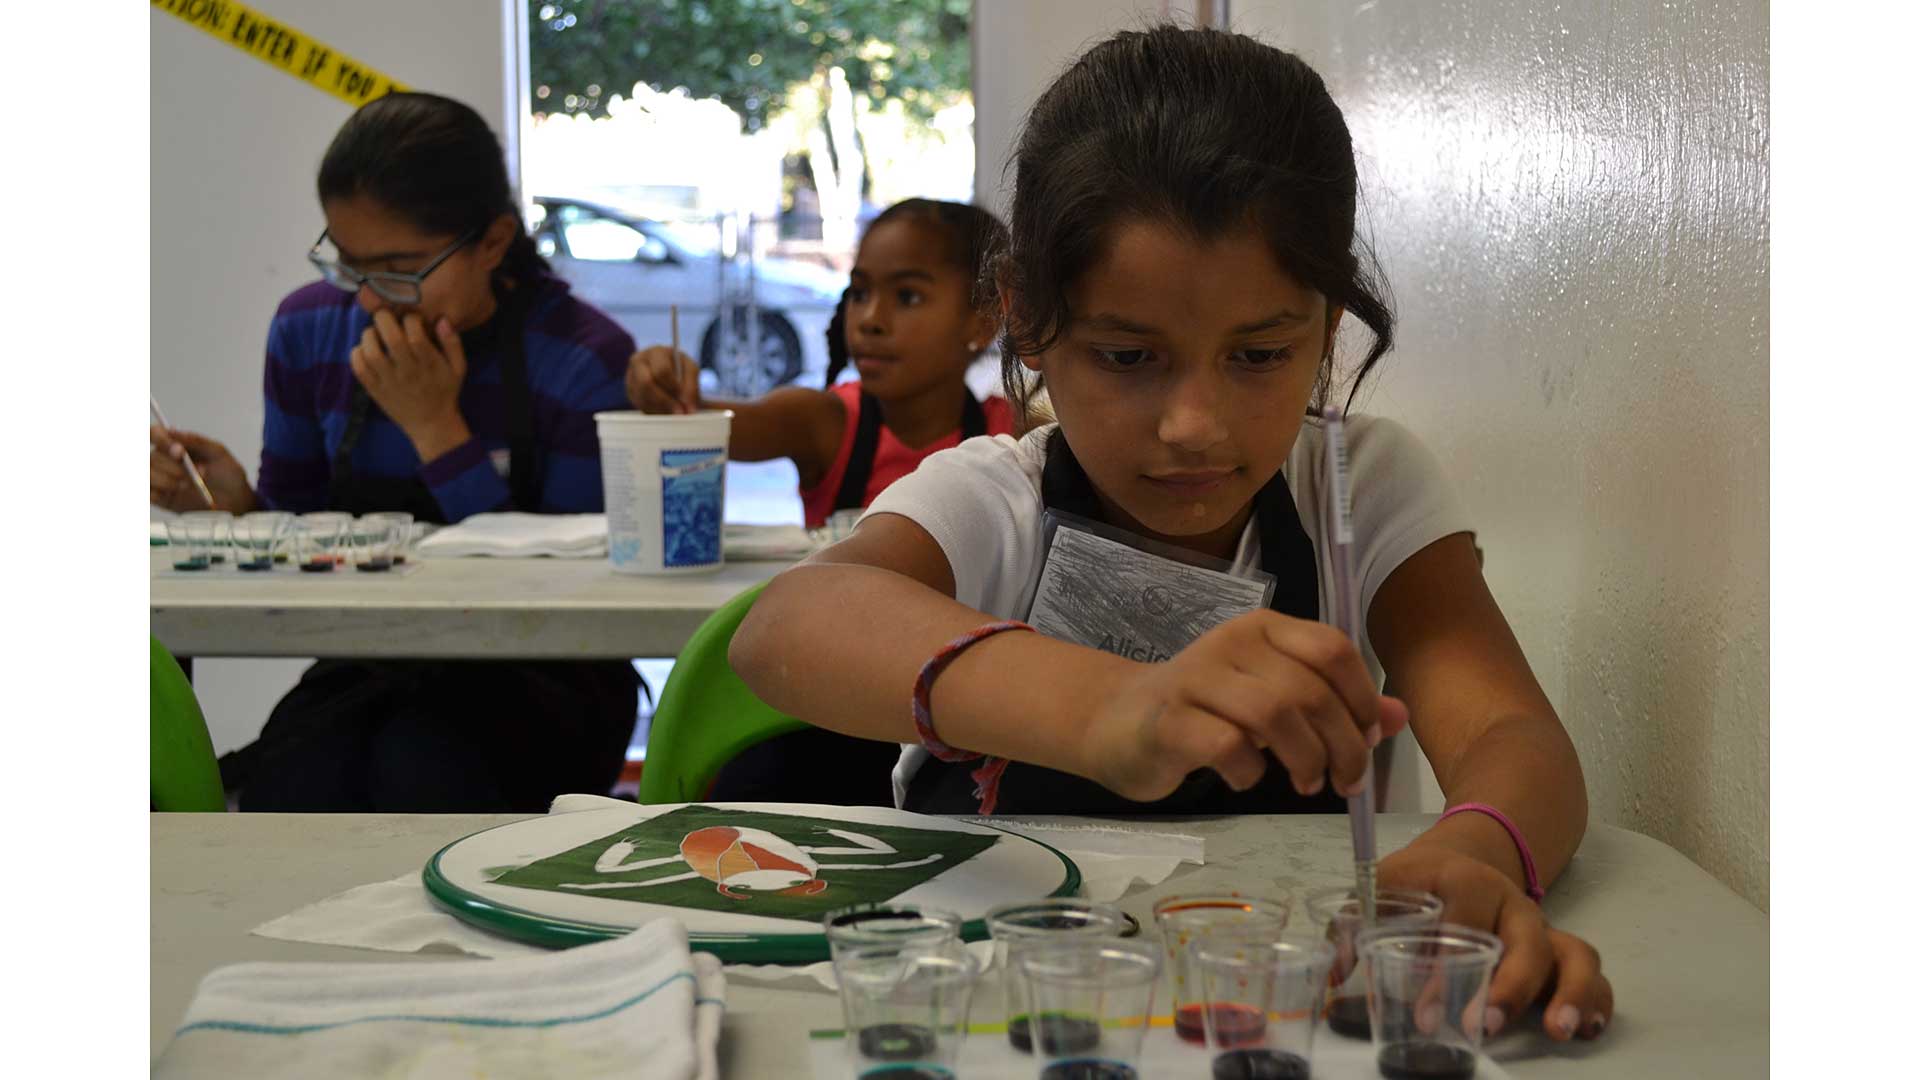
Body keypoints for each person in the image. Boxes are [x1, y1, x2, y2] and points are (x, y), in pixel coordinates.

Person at [730, 26, 1614, 1042]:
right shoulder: (994, 499)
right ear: (1025, 320)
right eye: (1126, 354)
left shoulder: (1357, 490)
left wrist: (1475, 854)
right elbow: (787, 627)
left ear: (1327, 327)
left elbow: (1515, 738)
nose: (1194, 424)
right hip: (1002, 1009)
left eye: (1260, 353)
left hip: (1282, 1013)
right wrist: (1114, 708)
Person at [149, 91, 640, 813]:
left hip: (547, 679)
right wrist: (236, 511)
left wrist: (437, 432)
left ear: (494, 242)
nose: (374, 301)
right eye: (350, 267)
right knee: (292, 797)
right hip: (370, 661)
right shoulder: (310, 329)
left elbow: (582, 595)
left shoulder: (580, 358)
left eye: (400, 268)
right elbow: (308, 530)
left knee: (425, 777)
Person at [625, 198, 1016, 806]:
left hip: (949, 717)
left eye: (907, 296)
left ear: (983, 319)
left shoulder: (1010, 436)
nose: (872, 319)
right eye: (860, 293)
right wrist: (668, 390)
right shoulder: (827, 422)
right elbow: (708, 420)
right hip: (828, 710)